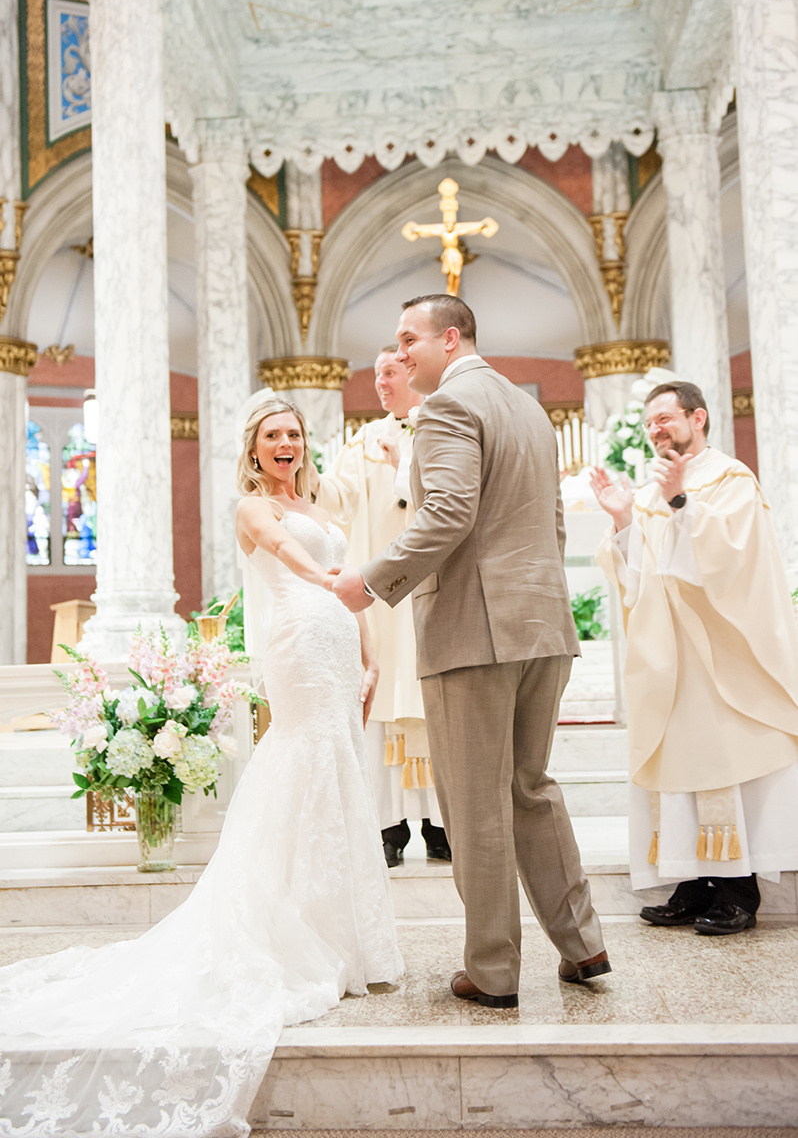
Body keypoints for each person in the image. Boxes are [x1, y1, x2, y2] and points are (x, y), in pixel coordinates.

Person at [0, 397, 402, 1136]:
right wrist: (334, 586)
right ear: (254, 449)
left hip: (340, 642)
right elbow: (296, 560)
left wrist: (373, 659)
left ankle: (346, 935)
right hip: (298, 642)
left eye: (294, 435)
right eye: (273, 436)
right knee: (303, 760)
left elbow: (356, 588)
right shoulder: (252, 507)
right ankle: (296, 925)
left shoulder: (311, 501)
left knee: (339, 772)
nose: (285, 444)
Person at [332, 294, 608, 1009]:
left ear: (449, 339)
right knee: (530, 789)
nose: (400, 353)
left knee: (477, 804)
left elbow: (448, 512)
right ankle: (583, 945)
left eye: (408, 339)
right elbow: (551, 525)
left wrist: (370, 581)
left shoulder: (450, 408)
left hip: (475, 629)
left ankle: (491, 971)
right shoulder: (528, 410)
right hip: (540, 624)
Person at [591, 381, 798, 935]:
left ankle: (737, 892)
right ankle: (688, 882)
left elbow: (734, 560)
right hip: (666, 655)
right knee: (676, 769)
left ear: (698, 417)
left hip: (717, 654)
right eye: (650, 422)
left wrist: (682, 501)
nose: (656, 429)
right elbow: (641, 572)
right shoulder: (651, 486)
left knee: (719, 763)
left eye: (666, 419)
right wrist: (622, 520)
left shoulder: (731, 478)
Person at [314, 345, 450, 867]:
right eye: (376, 375)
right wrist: (304, 472)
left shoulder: (443, 426)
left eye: (390, 371)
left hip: (432, 590)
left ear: (412, 372)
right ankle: (389, 827)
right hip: (379, 597)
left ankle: (442, 827)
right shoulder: (364, 439)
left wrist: (404, 465)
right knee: (382, 702)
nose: (380, 383)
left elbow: (446, 505)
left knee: (434, 701)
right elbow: (340, 500)